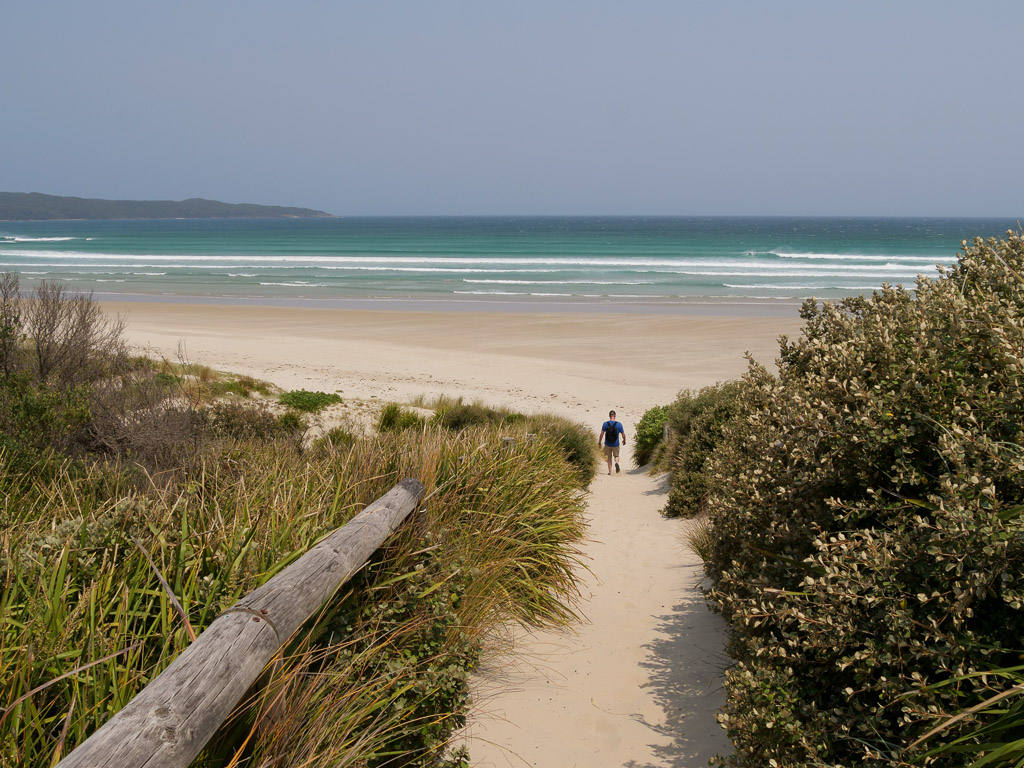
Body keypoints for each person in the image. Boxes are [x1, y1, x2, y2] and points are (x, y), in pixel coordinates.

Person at [599, 410, 626, 475]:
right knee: (616, 456)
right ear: (615, 416)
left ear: (609, 416)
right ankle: (616, 462)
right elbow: (623, 434)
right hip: (615, 444)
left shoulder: (605, 424)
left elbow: (602, 434)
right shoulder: (619, 424)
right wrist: (624, 440)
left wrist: (599, 442)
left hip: (608, 444)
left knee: (609, 457)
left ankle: (610, 472)